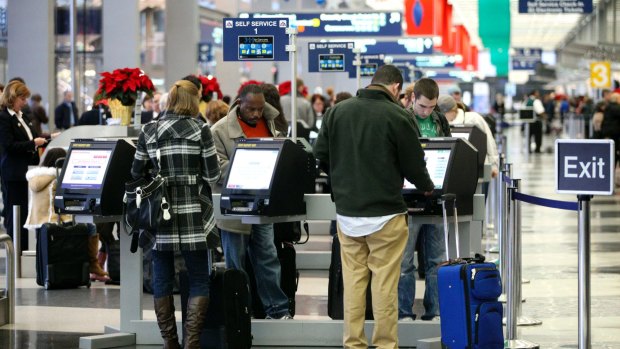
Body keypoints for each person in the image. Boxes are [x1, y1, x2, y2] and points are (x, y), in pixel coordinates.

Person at [314, 65, 434, 348]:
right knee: (384, 285)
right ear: (395, 87)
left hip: (348, 215)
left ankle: (353, 344)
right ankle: (384, 344)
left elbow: (320, 156)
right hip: (386, 216)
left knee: (354, 284)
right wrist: (427, 186)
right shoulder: (397, 116)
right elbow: (414, 165)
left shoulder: (337, 112)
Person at [130, 79, 221, 348]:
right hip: (194, 210)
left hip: (160, 213)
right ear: (194, 102)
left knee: (161, 276)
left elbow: (136, 173)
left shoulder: (150, 130)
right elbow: (213, 174)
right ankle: (191, 343)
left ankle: (170, 343)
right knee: (198, 278)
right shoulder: (202, 130)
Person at [210, 84, 293, 320]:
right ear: (239, 104)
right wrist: (254, 170)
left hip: (263, 206)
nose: (256, 114)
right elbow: (218, 169)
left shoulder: (272, 124)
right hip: (234, 208)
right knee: (236, 264)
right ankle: (238, 313)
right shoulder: (220, 130)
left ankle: (277, 311)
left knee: (268, 258)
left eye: (259, 109)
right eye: (250, 109)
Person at [399, 77, 451, 322]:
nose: (426, 112)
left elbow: (451, 149)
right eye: (422, 107)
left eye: (431, 107)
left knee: (437, 260)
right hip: (408, 199)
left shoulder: (439, 119)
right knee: (404, 261)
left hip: (435, 197)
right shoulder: (402, 119)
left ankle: (436, 311)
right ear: (412, 99)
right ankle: (404, 312)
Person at [24, 148, 110, 281]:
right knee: (91, 227)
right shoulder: (56, 179)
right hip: (55, 219)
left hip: (38, 221)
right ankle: (93, 264)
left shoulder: (36, 178)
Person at [0, 80, 48, 250]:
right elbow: (9, 145)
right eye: (22, 98)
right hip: (13, 173)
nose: (25, 102)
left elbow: (32, 138)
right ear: (12, 97)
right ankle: (16, 254)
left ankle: (24, 250)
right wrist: (33, 143)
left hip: (28, 172)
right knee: (15, 216)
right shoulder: (4, 118)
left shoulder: (23, 116)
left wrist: (47, 138)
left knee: (26, 216)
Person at [437, 95, 499, 180]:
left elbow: (489, 141)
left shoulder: (473, 118)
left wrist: (494, 164)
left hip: (480, 169)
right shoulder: (440, 124)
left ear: (452, 111)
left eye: (443, 114)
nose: (441, 117)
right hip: (455, 173)